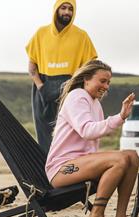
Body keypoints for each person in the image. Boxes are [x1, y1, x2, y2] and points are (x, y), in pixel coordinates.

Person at [45, 60, 138, 217]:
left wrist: (121, 116)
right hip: (61, 169)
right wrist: (120, 117)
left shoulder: (94, 102)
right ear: (86, 79)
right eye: (102, 81)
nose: (106, 86)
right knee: (119, 160)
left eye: (108, 82)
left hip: (82, 163)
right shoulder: (77, 96)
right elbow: (87, 131)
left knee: (131, 156)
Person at [26, 0, 97, 153]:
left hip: (70, 85)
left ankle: (68, 174)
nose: (67, 12)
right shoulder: (41, 33)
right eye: (63, 8)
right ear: (56, 10)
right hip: (43, 86)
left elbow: (91, 66)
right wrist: (41, 86)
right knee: (44, 134)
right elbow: (32, 65)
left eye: (71, 9)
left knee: (68, 134)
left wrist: (75, 84)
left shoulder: (81, 36)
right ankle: (46, 174)